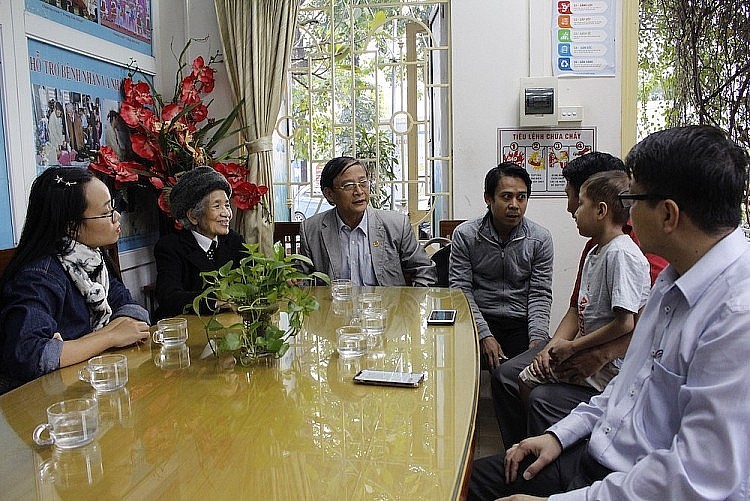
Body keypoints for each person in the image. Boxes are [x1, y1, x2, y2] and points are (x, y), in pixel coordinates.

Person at [468, 124, 750, 500]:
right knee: (468, 482)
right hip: (596, 456)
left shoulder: (736, 315)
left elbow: (695, 479)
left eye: (633, 198)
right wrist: (557, 436)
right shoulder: (671, 280)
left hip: (635, 483)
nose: (626, 212)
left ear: (668, 214)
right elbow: (626, 389)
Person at [492, 152, 668, 449]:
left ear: (599, 205)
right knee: (508, 376)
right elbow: (576, 309)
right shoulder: (595, 248)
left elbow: (645, 321)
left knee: (539, 395)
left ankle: (549, 453)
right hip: (586, 344)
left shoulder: (634, 250)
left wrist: (597, 353)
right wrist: (547, 350)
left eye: (574, 197)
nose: (570, 208)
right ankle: (524, 447)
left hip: (616, 359)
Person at [0, 167, 150, 393]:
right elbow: (30, 356)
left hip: (86, 383)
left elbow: (135, 314)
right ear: (71, 225)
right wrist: (110, 336)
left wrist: (73, 346)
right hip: (43, 403)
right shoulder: (40, 276)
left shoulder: (93, 259)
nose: (116, 217)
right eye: (106, 212)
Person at [518, 171, 650, 396]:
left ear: (600, 210)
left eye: (581, 204)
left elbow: (625, 324)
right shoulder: (596, 251)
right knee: (530, 374)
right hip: (586, 347)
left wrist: (572, 347)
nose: (575, 213)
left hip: (610, 366)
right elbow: (585, 315)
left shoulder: (621, 254)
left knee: (527, 379)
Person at [449, 162, 553, 368]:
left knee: (531, 371)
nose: (515, 204)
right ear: (488, 198)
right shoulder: (466, 235)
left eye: (521, 197)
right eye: (506, 197)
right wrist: (484, 335)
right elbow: (461, 291)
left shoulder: (540, 239)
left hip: (520, 320)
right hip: (479, 317)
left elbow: (540, 293)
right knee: (458, 365)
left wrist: (538, 339)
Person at [298, 156, 436, 286]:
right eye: (349, 186)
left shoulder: (397, 225)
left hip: (386, 308)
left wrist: (411, 306)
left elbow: (424, 270)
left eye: (363, 183)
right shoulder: (311, 229)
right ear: (329, 194)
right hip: (336, 308)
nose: (359, 191)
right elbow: (302, 278)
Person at [153, 166, 245, 320]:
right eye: (217, 206)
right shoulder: (170, 247)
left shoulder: (234, 241)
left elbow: (256, 272)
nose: (226, 213)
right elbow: (168, 297)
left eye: (227, 205)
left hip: (228, 325)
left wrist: (278, 277)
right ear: (193, 216)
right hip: (187, 329)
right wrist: (215, 301)